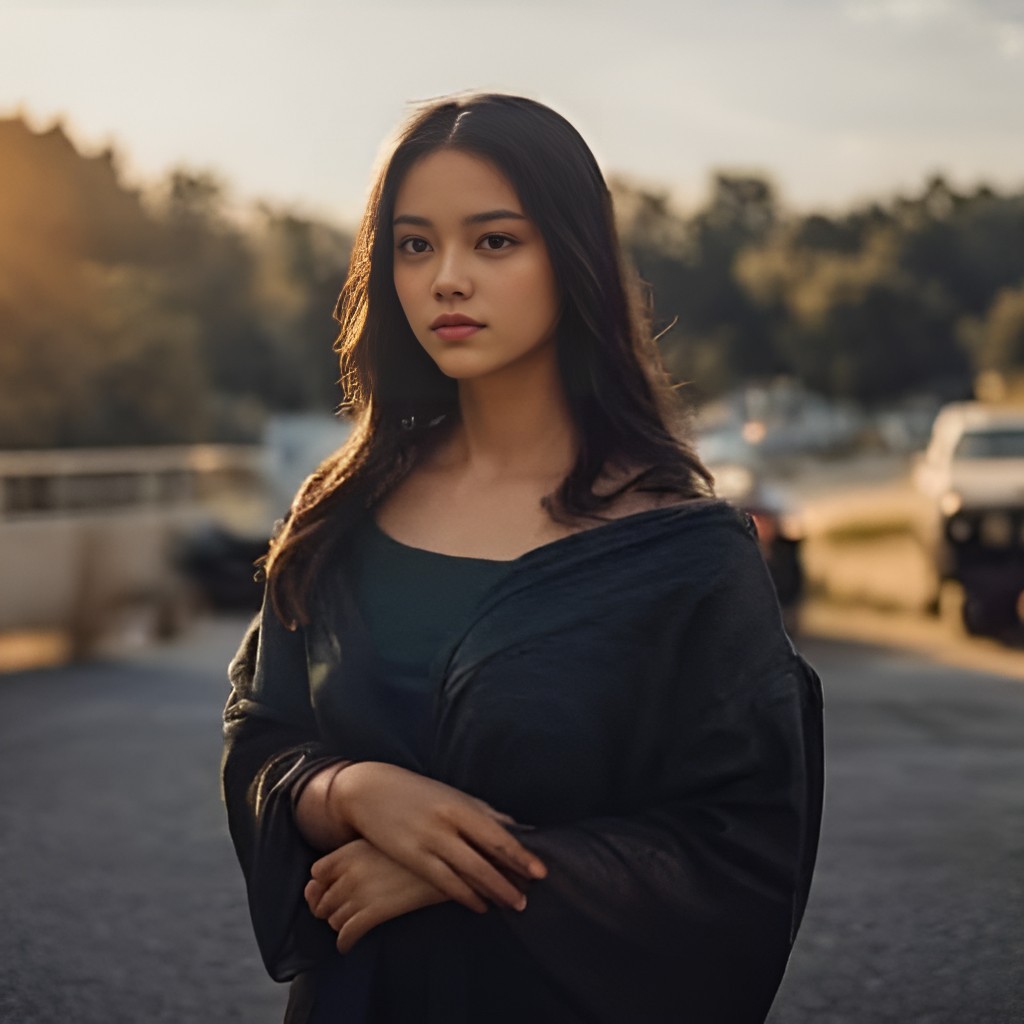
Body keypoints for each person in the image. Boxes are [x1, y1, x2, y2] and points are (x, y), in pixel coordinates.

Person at [222, 93, 824, 1024]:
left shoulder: (682, 551)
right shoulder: (338, 512)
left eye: (494, 241)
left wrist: (463, 872)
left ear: (571, 259)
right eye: (414, 245)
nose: (446, 279)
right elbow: (260, 736)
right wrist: (351, 792)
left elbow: (740, 852)